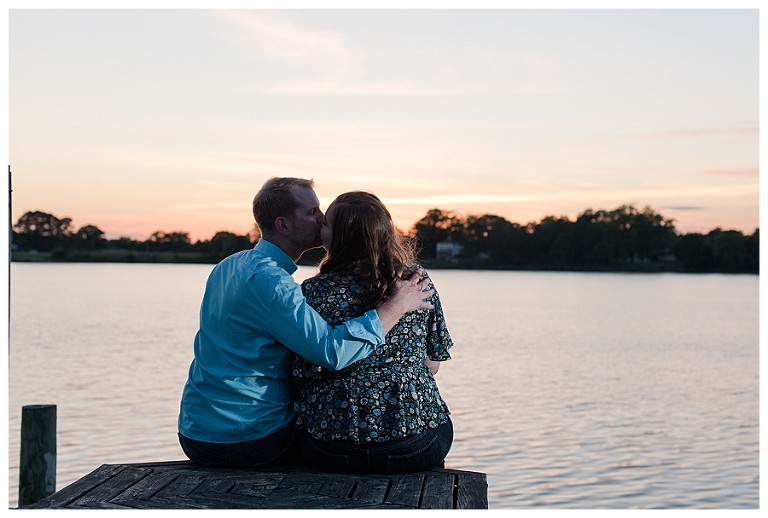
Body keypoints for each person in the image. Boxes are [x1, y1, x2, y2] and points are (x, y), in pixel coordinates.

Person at [177, 178, 434, 469]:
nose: (322, 217)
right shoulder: (274, 285)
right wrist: (395, 306)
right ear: (283, 225)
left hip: (194, 435)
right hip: (252, 440)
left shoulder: (227, 266)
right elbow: (332, 352)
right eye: (312, 211)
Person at [292, 191, 453, 474]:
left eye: (326, 223)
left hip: (332, 447)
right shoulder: (415, 281)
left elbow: (301, 372)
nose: (320, 227)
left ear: (341, 238)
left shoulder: (311, 292)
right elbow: (433, 363)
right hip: (415, 445)